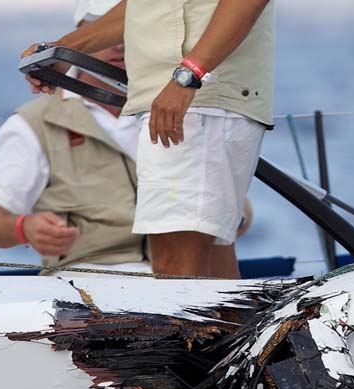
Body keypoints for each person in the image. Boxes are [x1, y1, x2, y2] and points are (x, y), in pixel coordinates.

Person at [22, 0, 274, 278]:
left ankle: (196, 324)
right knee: (211, 264)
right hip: (190, 105)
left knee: (173, 265)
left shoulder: (189, 90)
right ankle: (231, 324)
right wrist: (63, 49)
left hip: (196, 103)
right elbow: (143, 8)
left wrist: (187, 77)